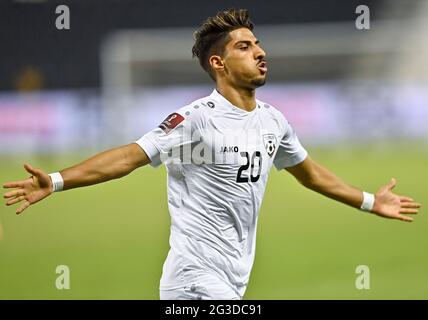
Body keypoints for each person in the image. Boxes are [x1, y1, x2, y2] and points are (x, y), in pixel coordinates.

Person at [2, 9, 421, 300]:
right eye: (244, 46)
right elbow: (131, 156)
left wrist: (369, 201)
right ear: (218, 63)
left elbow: (310, 174)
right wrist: (56, 181)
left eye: (257, 43)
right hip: (195, 281)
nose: (260, 51)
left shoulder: (273, 121)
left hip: (232, 279)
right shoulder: (194, 122)